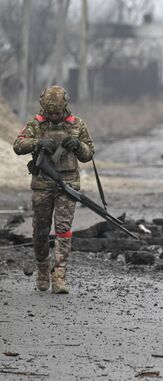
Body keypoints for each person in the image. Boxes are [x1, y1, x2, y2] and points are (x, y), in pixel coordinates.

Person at [13, 85, 95, 294]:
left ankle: (59, 275)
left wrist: (77, 144)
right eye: (51, 113)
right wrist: (37, 143)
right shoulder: (36, 124)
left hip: (68, 185)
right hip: (43, 184)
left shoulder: (76, 124)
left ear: (65, 107)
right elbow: (18, 145)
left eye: (57, 112)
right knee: (40, 231)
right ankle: (43, 268)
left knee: (63, 229)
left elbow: (89, 154)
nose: (54, 116)